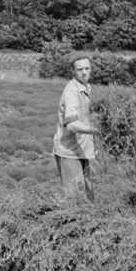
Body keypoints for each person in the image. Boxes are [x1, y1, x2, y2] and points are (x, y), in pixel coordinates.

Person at [52, 54, 99, 200]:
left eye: (87, 68)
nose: (84, 72)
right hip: (69, 151)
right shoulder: (71, 91)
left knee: (88, 193)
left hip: (83, 149)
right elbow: (72, 125)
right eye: (80, 69)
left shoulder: (86, 87)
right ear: (73, 71)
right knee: (74, 197)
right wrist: (97, 131)